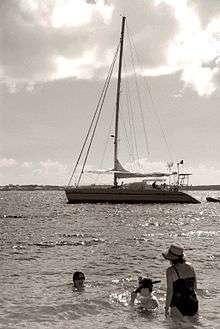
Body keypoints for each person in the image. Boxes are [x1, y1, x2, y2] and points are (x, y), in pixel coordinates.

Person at [162, 244, 198, 318]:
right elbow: (195, 287)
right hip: (193, 303)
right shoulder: (191, 267)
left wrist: (166, 308)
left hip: (178, 305)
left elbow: (170, 291)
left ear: (171, 258)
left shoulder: (170, 271)